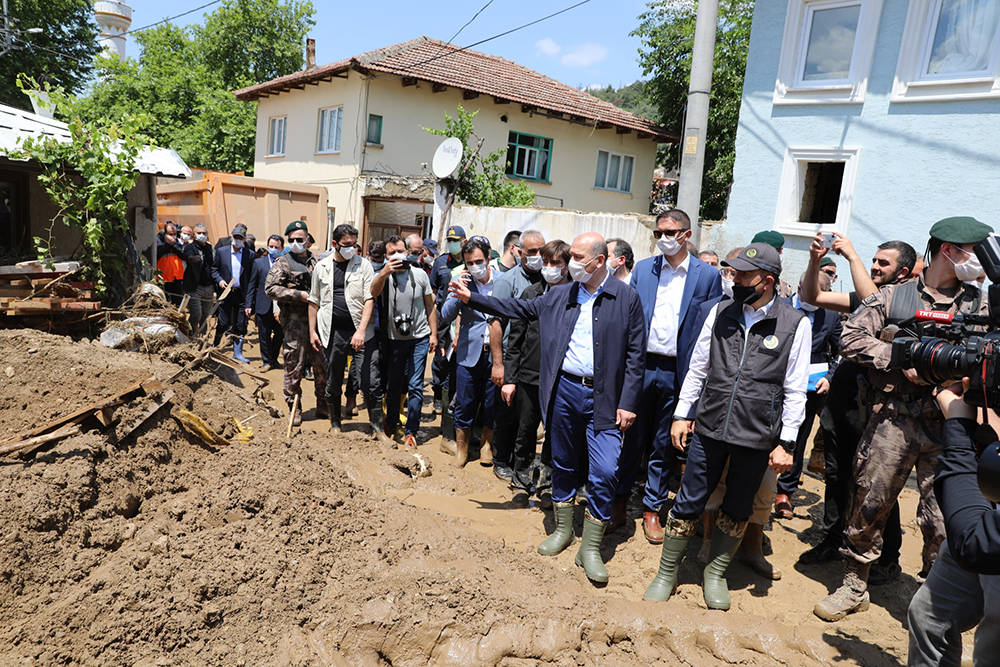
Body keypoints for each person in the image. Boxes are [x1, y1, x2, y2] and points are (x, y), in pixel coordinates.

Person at [815, 216, 995, 622]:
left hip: (953, 425)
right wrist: (899, 357)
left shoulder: (980, 304)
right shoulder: (895, 297)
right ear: (948, 250)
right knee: (869, 503)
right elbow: (848, 337)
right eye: (975, 252)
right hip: (891, 421)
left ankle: (939, 596)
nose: (981, 260)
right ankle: (854, 585)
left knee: (947, 516)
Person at [449, 232, 646, 584]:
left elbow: (636, 355)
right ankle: (563, 530)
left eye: (578, 257)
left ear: (599, 262)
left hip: (605, 398)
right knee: (563, 463)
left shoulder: (626, 298)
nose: (571, 262)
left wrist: (628, 402)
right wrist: (475, 298)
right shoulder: (559, 295)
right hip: (565, 391)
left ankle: (591, 545)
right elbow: (518, 309)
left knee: (603, 471)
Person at [644, 242, 807, 610]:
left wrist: (787, 442)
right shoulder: (720, 311)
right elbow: (698, 366)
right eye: (732, 272)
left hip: (756, 433)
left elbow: (796, 388)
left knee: (737, 506)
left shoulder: (794, 323)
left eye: (743, 275)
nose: (734, 280)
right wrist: (682, 414)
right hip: (710, 424)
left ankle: (714, 575)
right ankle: (666, 572)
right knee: (688, 499)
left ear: (766, 280)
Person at [798, 234, 915, 585]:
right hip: (843, 401)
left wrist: (851, 256)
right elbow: (811, 296)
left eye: (884, 263)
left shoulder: (906, 307)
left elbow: (872, 300)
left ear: (904, 272)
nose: (875, 266)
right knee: (836, 475)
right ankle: (834, 539)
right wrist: (816, 260)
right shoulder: (863, 300)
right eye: (873, 260)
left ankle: (886, 558)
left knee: (878, 485)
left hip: (878, 409)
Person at [617, 209, 722, 544]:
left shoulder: (706, 277)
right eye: (659, 232)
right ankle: (619, 502)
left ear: (686, 235)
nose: (664, 238)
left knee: (664, 441)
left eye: (670, 232)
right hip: (641, 366)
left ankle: (652, 508)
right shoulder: (644, 270)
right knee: (629, 434)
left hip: (678, 371)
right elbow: (630, 317)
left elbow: (709, 331)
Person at [907, 378, 1000, 667]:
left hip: (984, 536)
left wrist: (959, 426)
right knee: (928, 617)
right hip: (989, 511)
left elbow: (972, 544)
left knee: (990, 651)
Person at [504, 239, 571, 498]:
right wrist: (510, 379)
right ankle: (521, 481)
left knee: (556, 433)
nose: (550, 267)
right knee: (525, 430)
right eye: (546, 262)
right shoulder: (531, 294)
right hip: (529, 376)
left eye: (555, 263)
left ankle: (547, 483)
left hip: (561, 379)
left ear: (566, 266)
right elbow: (516, 340)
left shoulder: (576, 296)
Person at [773, 273, 842, 519]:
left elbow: (840, 349)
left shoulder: (830, 315)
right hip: (774, 384)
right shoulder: (777, 307)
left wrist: (830, 377)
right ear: (800, 288)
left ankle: (785, 493)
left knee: (797, 439)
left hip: (810, 387)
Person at [308, 224, 385, 439]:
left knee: (370, 381)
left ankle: (378, 429)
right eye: (346, 245)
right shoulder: (322, 267)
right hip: (332, 333)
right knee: (333, 380)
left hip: (362, 332)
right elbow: (314, 301)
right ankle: (335, 423)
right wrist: (312, 332)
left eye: (354, 245)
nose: (351, 249)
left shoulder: (364, 266)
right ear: (335, 244)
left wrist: (360, 331)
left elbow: (370, 298)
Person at [371, 235, 438, 449]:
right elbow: (372, 293)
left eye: (401, 251)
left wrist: (434, 335)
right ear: (385, 256)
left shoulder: (419, 274)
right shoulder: (383, 276)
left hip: (419, 337)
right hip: (394, 339)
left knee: (416, 385)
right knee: (394, 383)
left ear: (407, 251)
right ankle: (391, 422)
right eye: (392, 253)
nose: (397, 256)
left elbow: (430, 306)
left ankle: (411, 431)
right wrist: (384, 272)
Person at [490, 230, 546, 479]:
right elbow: (496, 324)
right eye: (532, 252)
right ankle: (501, 460)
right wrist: (499, 364)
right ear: (518, 251)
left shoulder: (548, 280)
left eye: (541, 251)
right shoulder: (507, 280)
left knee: (527, 419)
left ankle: (520, 464)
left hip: (533, 360)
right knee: (507, 413)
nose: (537, 256)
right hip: (512, 358)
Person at [440, 238, 499, 466]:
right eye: (469, 262)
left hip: (495, 354)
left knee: (492, 402)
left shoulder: (503, 281)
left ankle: (486, 445)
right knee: (465, 402)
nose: (475, 266)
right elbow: (445, 314)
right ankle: (462, 449)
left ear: (488, 258)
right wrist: (457, 291)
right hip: (468, 353)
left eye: (479, 261)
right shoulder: (459, 280)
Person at [265, 221, 329, 426]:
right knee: (294, 367)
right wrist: (298, 295)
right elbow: (270, 289)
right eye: (291, 239)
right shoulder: (283, 262)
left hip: (318, 324)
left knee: (322, 366)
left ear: (308, 240)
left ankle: (323, 405)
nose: (295, 243)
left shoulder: (317, 261)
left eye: (299, 239)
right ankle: (294, 407)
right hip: (295, 324)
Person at [430, 225, 467, 417]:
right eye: (449, 240)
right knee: (441, 358)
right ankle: (437, 393)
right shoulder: (441, 262)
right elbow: (434, 291)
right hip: (444, 316)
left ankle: (451, 398)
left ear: (464, 241)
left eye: (456, 240)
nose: (452, 244)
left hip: (463, 316)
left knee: (458, 358)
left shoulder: (470, 262)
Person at [211, 225, 255, 362]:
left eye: (240, 238)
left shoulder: (250, 255)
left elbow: (252, 278)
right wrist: (219, 281)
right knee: (223, 322)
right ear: (231, 237)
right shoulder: (222, 252)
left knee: (241, 324)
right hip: (226, 293)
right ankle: (215, 347)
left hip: (241, 294)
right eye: (235, 237)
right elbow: (214, 269)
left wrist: (249, 301)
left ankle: (238, 352)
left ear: (244, 239)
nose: (237, 240)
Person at [245, 235, 284, 372]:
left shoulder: (285, 263)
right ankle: (266, 361)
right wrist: (248, 304)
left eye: (276, 247)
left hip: (281, 307)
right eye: (271, 247)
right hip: (263, 305)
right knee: (264, 335)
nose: (273, 249)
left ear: (282, 248)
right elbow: (252, 284)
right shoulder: (258, 263)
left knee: (279, 335)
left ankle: (274, 359)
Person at [182, 223, 215, 333]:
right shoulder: (190, 248)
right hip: (195, 288)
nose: (201, 235)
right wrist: (191, 259)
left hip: (209, 288)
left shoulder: (210, 248)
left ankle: (202, 336)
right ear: (194, 234)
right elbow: (187, 256)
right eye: (199, 233)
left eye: (204, 233)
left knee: (205, 316)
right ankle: (194, 332)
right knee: (196, 314)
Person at [751, 231, 795, 299]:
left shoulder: (784, 287)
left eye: (781, 250)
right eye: (778, 251)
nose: (781, 254)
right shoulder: (742, 281)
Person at [157, 222, 186, 306]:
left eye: (175, 234)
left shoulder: (179, 242)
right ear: (165, 234)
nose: (173, 236)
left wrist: (173, 245)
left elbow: (184, 255)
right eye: (170, 234)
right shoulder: (158, 241)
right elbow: (156, 255)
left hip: (177, 278)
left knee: (177, 304)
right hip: (163, 278)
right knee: (163, 304)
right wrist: (167, 245)